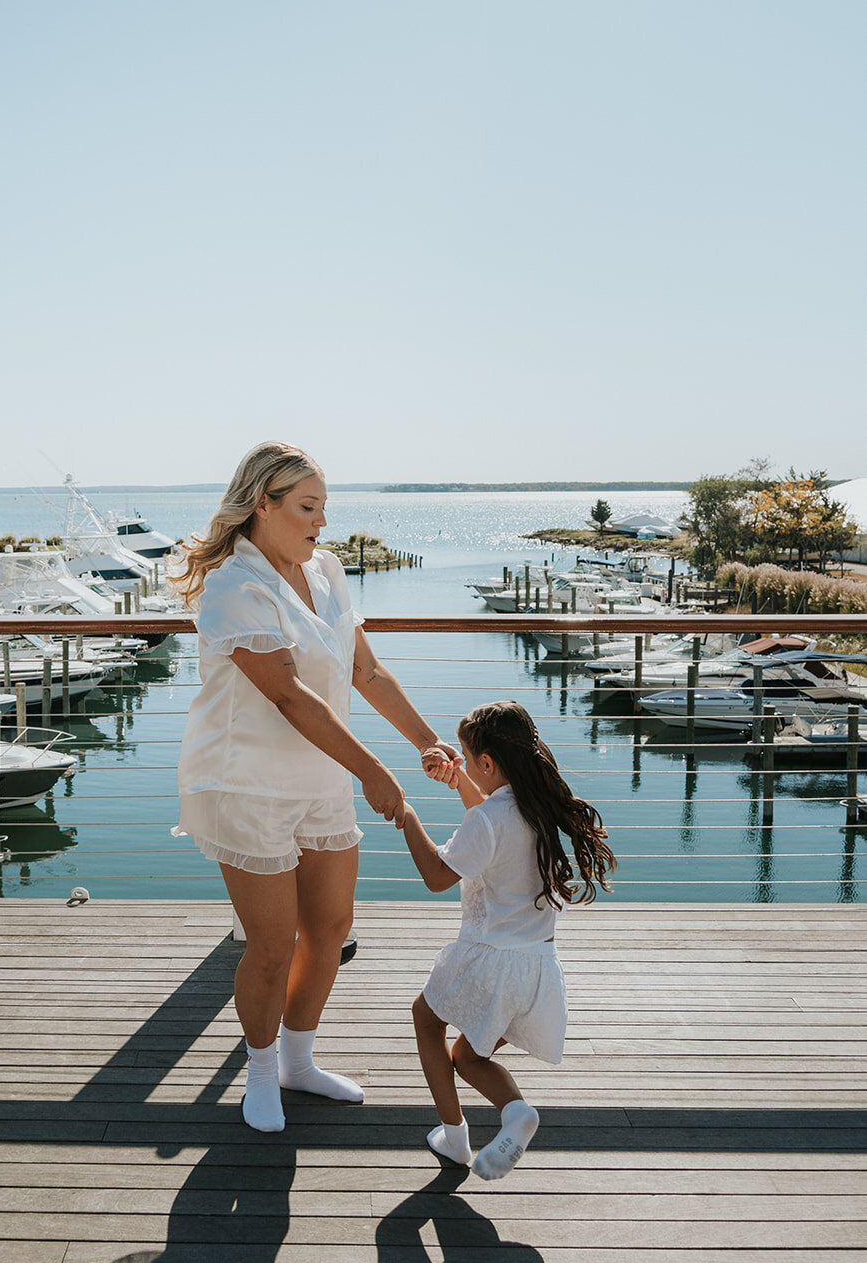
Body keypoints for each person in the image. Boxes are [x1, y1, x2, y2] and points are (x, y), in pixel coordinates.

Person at [171, 442, 460, 1134]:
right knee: (271, 945)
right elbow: (290, 696)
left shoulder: (325, 570)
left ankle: (300, 1062)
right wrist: (372, 771)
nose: (320, 523)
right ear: (261, 506)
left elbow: (366, 671)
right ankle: (262, 1070)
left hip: (320, 777)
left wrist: (426, 741)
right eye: (307, 508)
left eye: (324, 508)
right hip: (248, 784)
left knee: (329, 929)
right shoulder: (235, 586)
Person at [398, 700, 615, 1178]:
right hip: (534, 968)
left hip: (488, 961)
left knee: (425, 1020)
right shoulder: (537, 810)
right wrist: (460, 781)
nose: (466, 765)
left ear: (488, 763)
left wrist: (405, 814)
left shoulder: (488, 820)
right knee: (467, 1056)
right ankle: (516, 1112)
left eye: (468, 759)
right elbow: (491, 826)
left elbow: (437, 874)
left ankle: (454, 1136)